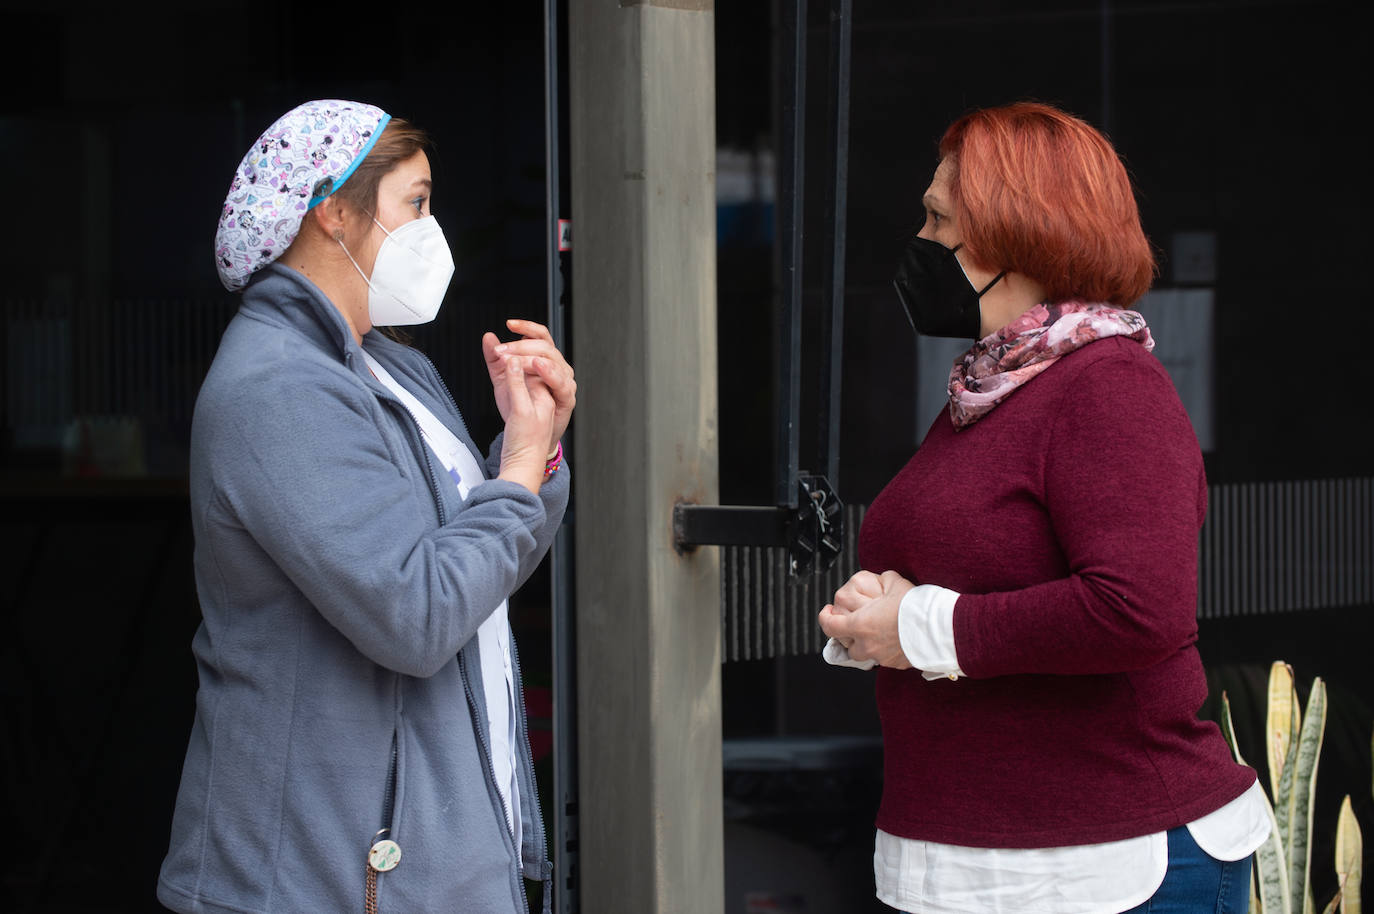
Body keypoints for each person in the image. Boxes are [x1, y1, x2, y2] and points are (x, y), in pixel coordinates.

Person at [817, 102, 1269, 914]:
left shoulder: (1108, 387)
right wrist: (876, 619)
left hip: (1110, 868)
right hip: (970, 863)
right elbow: (963, 581)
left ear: (1013, 231)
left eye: (938, 219)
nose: (919, 242)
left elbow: (1139, 611)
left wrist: (919, 625)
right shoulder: (991, 390)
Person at [157, 100, 574, 914]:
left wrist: (536, 446)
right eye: (414, 202)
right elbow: (417, 614)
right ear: (334, 212)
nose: (432, 227)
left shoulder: (384, 365)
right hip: (317, 879)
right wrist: (519, 468)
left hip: (407, 864)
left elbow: (473, 564)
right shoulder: (280, 387)